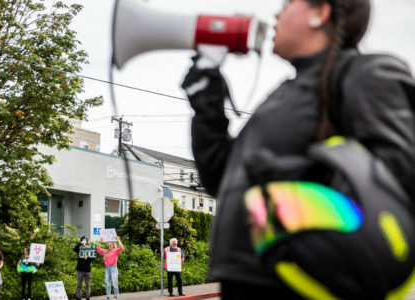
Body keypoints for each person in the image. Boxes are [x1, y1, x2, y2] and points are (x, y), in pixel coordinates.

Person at [181, 0, 415, 299]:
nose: (277, 14)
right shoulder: (286, 92)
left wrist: (300, 176)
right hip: (248, 275)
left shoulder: (365, 72)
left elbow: (398, 171)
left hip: (302, 278)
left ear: (320, 13)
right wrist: (206, 104)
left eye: (288, 4)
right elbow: (219, 177)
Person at [96, 236, 123, 300]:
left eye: (111, 244)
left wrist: (118, 240)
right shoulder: (105, 251)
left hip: (113, 268)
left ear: (113, 245)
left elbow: (121, 247)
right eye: (108, 244)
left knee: (114, 283)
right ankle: (108, 296)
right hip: (107, 268)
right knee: (107, 283)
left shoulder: (116, 251)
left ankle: (115, 296)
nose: (109, 245)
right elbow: (98, 249)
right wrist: (100, 241)